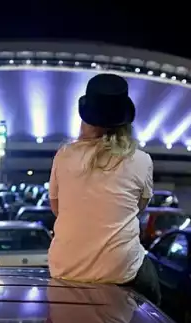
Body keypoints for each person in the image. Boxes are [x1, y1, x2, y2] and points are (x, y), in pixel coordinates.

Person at [47, 73, 161, 305]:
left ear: (86, 118)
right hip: (119, 270)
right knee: (155, 296)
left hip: (65, 267)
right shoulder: (141, 160)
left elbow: (56, 208)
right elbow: (138, 209)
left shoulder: (64, 155)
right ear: (125, 121)